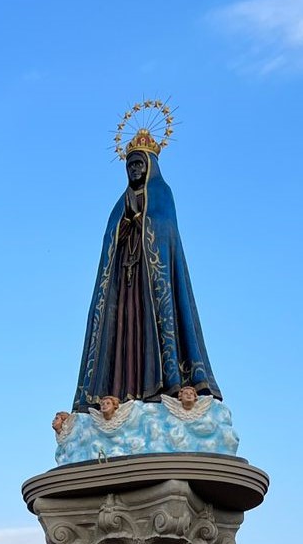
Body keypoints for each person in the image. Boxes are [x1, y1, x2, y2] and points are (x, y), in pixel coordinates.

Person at [72, 133, 220, 414]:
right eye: (130, 166)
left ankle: (164, 385)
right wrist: (125, 223)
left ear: (151, 166)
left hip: (152, 281)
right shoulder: (121, 203)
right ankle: (118, 392)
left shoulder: (162, 194)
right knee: (123, 329)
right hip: (124, 280)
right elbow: (110, 239)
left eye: (139, 164)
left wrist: (141, 219)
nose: (134, 170)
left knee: (151, 325)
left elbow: (165, 229)